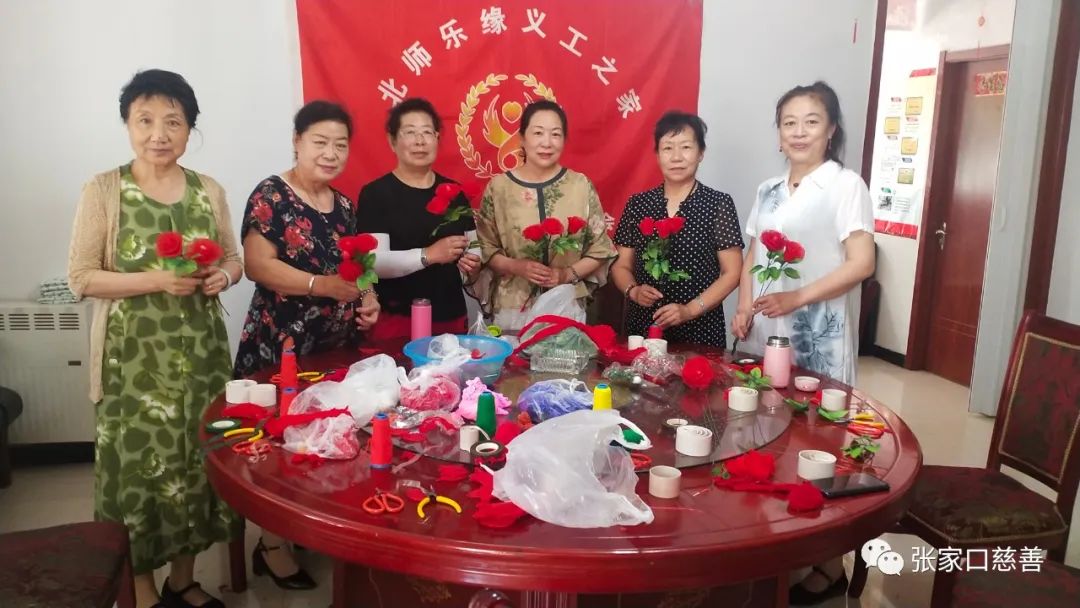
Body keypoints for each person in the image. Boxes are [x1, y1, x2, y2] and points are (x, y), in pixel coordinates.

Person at [67, 69, 241, 608]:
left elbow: (234, 258)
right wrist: (156, 280)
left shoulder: (208, 190)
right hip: (133, 364)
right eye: (145, 120)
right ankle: (140, 587)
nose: (158, 134)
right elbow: (81, 277)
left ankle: (182, 580)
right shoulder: (104, 190)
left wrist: (223, 275)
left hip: (202, 356)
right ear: (127, 124)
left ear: (190, 129)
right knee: (139, 475)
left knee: (197, 465)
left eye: (173, 121)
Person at [732, 81, 875, 605]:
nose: (799, 132)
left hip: (819, 337)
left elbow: (862, 263)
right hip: (766, 332)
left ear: (830, 130)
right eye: (789, 122)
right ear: (778, 133)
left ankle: (828, 564)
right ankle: (786, 549)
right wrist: (744, 305)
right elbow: (752, 255)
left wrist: (797, 297)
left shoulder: (845, 185)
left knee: (820, 445)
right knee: (769, 437)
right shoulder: (769, 189)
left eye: (811, 121)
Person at [235, 100, 380, 590]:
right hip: (281, 344)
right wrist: (323, 287)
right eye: (320, 142)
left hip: (332, 345)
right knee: (277, 440)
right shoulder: (271, 195)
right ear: (297, 141)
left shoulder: (344, 206)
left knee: (321, 435)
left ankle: (304, 524)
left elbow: (358, 268)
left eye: (340, 145)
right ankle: (270, 545)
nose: (331, 153)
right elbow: (258, 265)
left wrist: (369, 298)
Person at [474, 100, 616, 329]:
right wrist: (516, 266)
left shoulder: (580, 185)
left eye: (555, 134)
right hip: (513, 307)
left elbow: (601, 249)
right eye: (538, 133)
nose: (547, 142)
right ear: (522, 138)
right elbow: (485, 249)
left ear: (564, 140)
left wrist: (566, 274)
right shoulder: (499, 188)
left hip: (565, 306)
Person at [611, 111, 744, 347]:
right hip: (644, 324)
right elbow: (621, 265)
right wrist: (633, 291)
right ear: (657, 154)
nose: (676, 157)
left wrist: (689, 310)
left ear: (701, 153)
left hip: (700, 328)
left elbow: (732, 273)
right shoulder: (638, 204)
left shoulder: (717, 203)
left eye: (686, 147)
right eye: (667, 148)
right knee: (640, 371)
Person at [356, 98, 481, 339]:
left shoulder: (454, 192)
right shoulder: (376, 194)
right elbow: (373, 263)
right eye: (410, 132)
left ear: (437, 138)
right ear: (392, 141)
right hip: (396, 319)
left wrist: (472, 267)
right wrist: (428, 255)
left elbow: (474, 250)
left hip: (451, 317)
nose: (420, 141)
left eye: (427, 132)